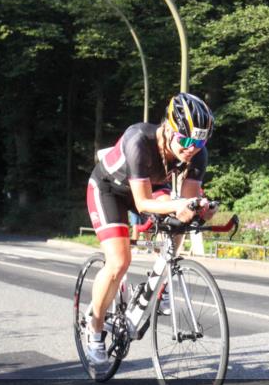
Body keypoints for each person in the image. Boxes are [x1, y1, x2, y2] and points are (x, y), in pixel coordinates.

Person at [84, 92, 216, 365]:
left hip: (150, 188)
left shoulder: (197, 153)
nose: (191, 148)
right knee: (119, 262)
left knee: (181, 217)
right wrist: (179, 204)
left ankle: (162, 284)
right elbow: (143, 202)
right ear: (168, 128)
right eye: (185, 140)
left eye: (199, 142)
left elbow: (188, 200)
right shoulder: (138, 140)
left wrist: (199, 208)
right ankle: (94, 329)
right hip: (109, 190)